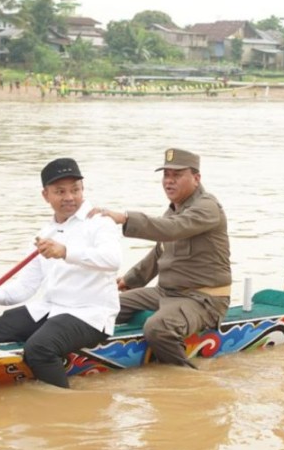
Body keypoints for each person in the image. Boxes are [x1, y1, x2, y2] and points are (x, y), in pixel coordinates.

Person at [0, 158, 122, 389]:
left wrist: (65, 252)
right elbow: (26, 286)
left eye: (75, 190)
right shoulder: (46, 231)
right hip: (52, 309)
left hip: (90, 314)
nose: (69, 197)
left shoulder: (100, 222)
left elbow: (113, 261)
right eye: (60, 191)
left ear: (83, 189)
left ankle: (62, 408)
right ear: (46, 195)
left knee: (39, 348)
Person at [94, 148, 231, 369]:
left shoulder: (207, 207)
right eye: (166, 175)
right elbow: (160, 251)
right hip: (166, 292)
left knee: (157, 328)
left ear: (196, 178)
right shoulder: (174, 210)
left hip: (203, 299)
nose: (169, 181)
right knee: (103, 303)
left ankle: (186, 377)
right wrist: (129, 280)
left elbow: (170, 229)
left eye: (177, 175)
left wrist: (125, 218)